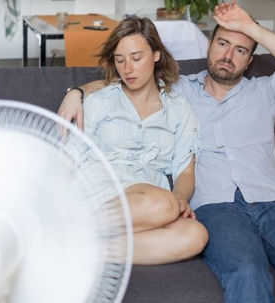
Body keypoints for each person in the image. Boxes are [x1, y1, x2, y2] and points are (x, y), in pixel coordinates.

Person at [59, 1, 275, 302]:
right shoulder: (179, 92)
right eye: (223, 43)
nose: (228, 55)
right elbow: (130, 77)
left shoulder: (267, 92)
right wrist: (77, 91)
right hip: (217, 207)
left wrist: (250, 27)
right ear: (208, 45)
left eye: (240, 50)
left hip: (273, 201)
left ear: (250, 60)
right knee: (247, 273)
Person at [67, 16, 208, 266]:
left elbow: (185, 172)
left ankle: (87, 248)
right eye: (119, 60)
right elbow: (71, 156)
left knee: (195, 235)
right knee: (164, 205)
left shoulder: (179, 109)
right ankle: (70, 224)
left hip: (149, 203)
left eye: (136, 58)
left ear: (156, 55)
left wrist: (179, 200)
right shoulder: (100, 101)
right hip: (101, 191)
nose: (127, 69)